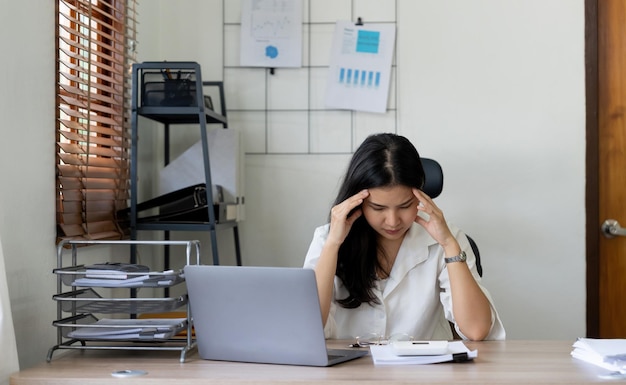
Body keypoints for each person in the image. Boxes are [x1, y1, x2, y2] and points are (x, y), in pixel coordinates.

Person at [303, 133, 505, 342]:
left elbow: (477, 330)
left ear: (420, 194)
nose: (392, 221)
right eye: (378, 207)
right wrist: (333, 245)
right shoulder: (327, 238)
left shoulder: (446, 237)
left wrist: (449, 244)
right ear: (357, 200)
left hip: (423, 371)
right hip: (349, 372)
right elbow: (307, 327)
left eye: (405, 206)